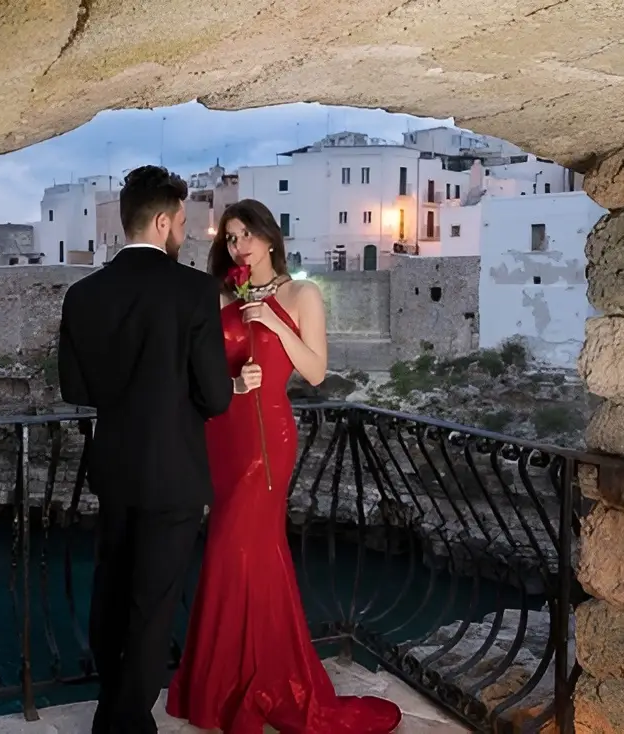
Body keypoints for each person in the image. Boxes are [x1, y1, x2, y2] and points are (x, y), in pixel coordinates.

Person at [165, 199, 403, 733]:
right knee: (237, 554)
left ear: (270, 238)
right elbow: (192, 370)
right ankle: (219, 681)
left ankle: (255, 681)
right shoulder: (220, 294)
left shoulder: (302, 293)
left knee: (240, 548)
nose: (238, 245)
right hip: (221, 435)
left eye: (246, 234)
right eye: (229, 238)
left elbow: (316, 371)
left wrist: (273, 316)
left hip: (265, 441)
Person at [58, 165, 234, 734]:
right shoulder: (193, 291)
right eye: (183, 221)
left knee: (111, 589)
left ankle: (115, 705)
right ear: (162, 222)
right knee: (153, 604)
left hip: (113, 468)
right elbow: (215, 395)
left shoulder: (83, 295)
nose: (185, 231)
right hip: (173, 472)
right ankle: (126, 723)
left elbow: (74, 389)